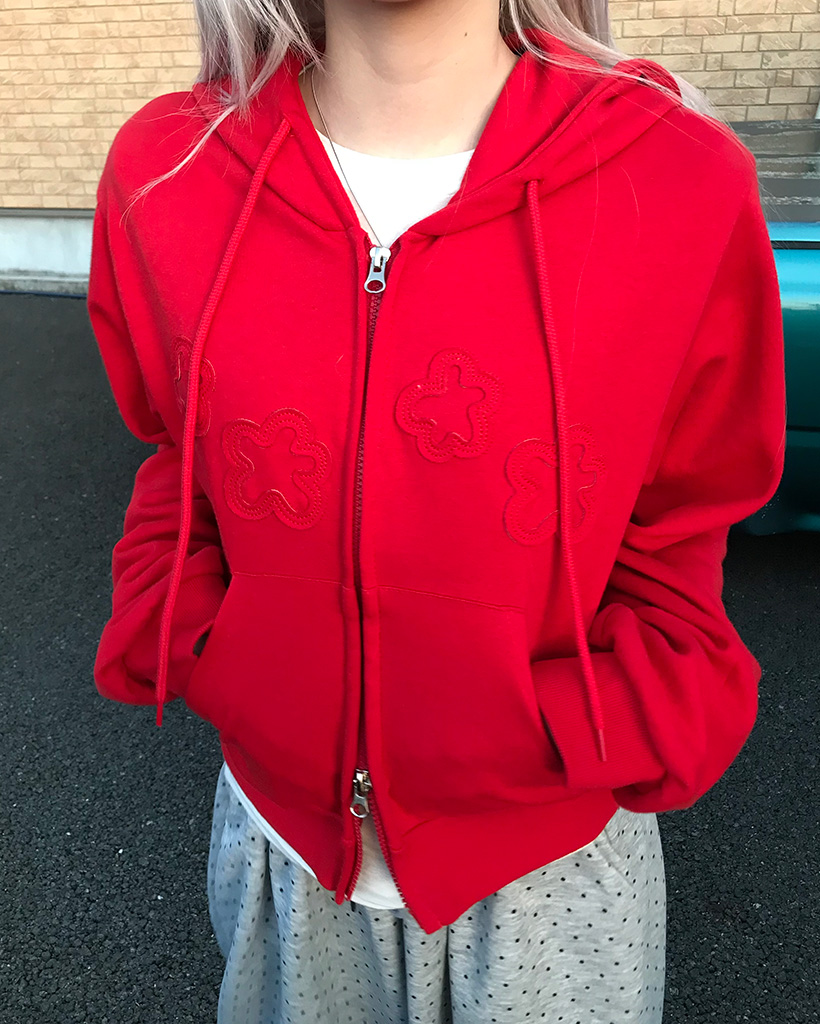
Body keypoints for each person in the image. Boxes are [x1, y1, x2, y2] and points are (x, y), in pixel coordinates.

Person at [85, 0, 786, 1017]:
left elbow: (684, 519)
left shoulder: (679, 179)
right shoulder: (168, 171)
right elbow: (174, 454)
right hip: (282, 855)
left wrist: (569, 729)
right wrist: (205, 644)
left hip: (552, 877)